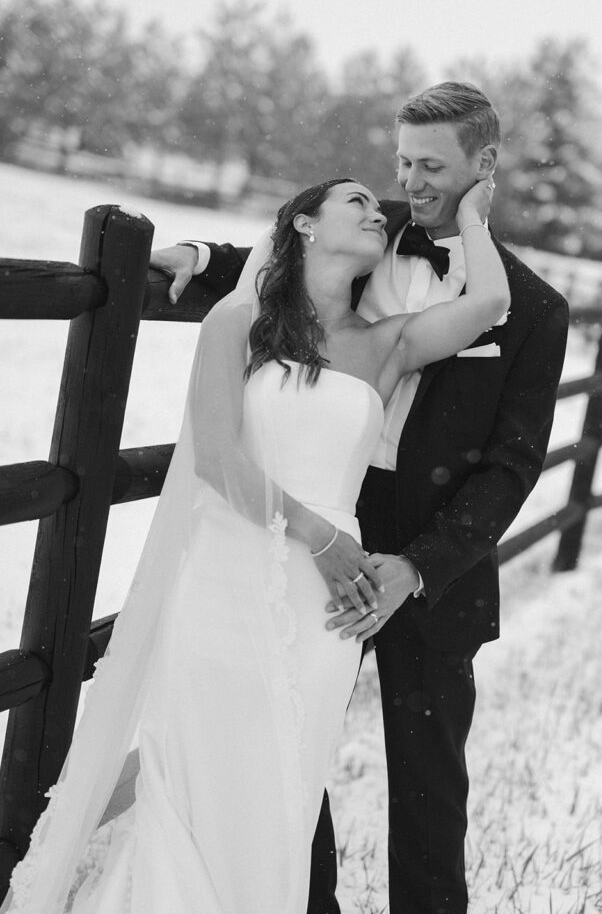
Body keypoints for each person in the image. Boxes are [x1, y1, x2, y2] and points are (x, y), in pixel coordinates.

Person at [1, 173, 508, 914]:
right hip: (230, 566)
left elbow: (490, 303)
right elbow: (217, 461)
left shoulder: (385, 344)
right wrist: (319, 536)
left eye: (377, 205)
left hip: (324, 606)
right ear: (302, 226)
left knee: (278, 784)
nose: (377, 211)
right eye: (356, 202)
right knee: (190, 758)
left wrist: (471, 219)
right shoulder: (237, 325)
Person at [150, 82, 570, 914]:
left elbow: (510, 467)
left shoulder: (534, 310)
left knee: (427, 778)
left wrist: (415, 567)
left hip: (427, 550)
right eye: (402, 161)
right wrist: (202, 256)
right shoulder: (373, 229)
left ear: (484, 165)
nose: (409, 182)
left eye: (432, 166)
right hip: (314, 523)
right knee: (284, 741)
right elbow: (289, 257)